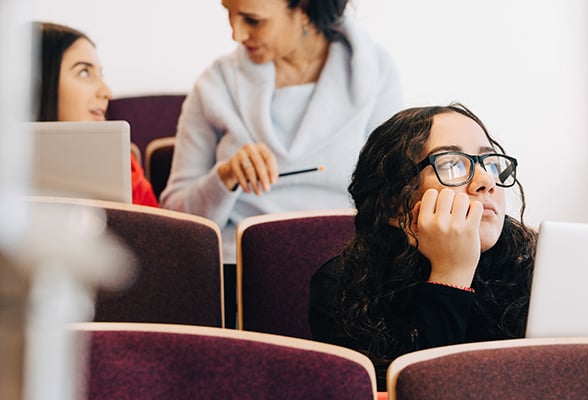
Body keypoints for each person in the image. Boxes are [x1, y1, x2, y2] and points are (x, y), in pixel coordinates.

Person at [159, 0, 403, 328]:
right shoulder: (215, 84)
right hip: (237, 272)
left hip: (347, 271)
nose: (236, 33)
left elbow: (393, 195)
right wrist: (225, 177)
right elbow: (177, 218)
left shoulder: (374, 72)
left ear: (303, 10)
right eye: (228, 14)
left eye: (252, 20)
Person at [309, 103, 538, 390]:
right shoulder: (341, 286)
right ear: (394, 200)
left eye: (490, 162)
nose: (486, 181)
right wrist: (451, 273)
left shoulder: (531, 266)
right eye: (451, 164)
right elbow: (422, 392)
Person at [34, 22, 159, 207]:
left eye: (101, 74)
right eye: (84, 72)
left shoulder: (125, 168)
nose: (106, 91)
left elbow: (158, 233)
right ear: (39, 82)